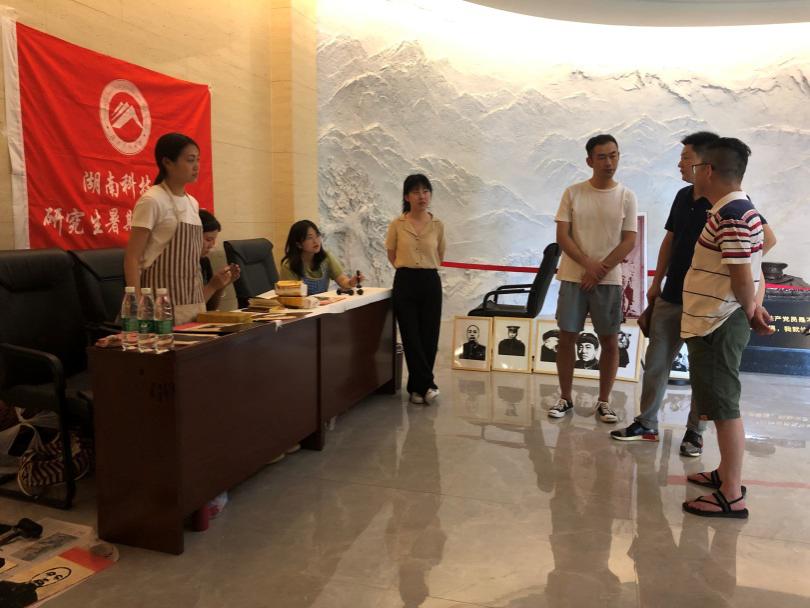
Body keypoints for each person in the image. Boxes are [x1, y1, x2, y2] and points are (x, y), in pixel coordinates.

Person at [611, 132, 776, 455]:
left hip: (709, 307)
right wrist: (656, 284)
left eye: (686, 158)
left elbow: (766, 241)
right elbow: (670, 240)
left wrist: (739, 278)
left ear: (706, 165)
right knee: (656, 362)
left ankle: (694, 432)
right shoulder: (683, 197)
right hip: (673, 295)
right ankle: (647, 423)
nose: (680, 164)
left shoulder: (730, 204)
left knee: (703, 372)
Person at [681, 137, 774, 519]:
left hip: (718, 320)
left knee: (724, 406)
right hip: (718, 317)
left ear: (708, 170)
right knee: (721, 402)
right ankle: (725, 473)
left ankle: (732, 493)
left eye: (694, 165)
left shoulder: (732, 214)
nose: (690, 171)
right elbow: (752, 263)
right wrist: (752, 304)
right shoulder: (738, 209)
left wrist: (751, 310)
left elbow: (740, 274)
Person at [548, 134, 637, 422]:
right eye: (602, 157)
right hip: (573, 276)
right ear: (589, 161)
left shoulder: (626, 196)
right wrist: (588, 265)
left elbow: (629, 239)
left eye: (613, 155)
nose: (609, 162)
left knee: (609, 340)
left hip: (608, 281)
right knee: (567, 337)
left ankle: (604, 401)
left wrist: (599, 270)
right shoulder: (573, 193)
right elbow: (563, 236)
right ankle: (565, 398)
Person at [124, 133, 206, 324]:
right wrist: (138, 306)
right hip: (158, 306)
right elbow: (132, 258)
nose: (196, 166)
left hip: (193, 302)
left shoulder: (192, 203)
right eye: (190, 160)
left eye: (198, 160)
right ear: (168, 162)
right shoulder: (152, 200)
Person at [386, 174, 446, 405]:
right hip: (405, 281)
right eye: (416, 192)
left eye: (426, 191)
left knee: (429, 336)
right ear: (406, 196)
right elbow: (392, 254)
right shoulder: (397, 224)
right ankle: (428, 385)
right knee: (411, 336)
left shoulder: (438, 225)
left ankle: (416, 388)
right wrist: (408, 267)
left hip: (430, 281)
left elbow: (440, 254)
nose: (422, 196)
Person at [279, 220, 364, 295]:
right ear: (299, 244)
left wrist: (352, 282)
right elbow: (289, 297)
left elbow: (342, 281)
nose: (315, 241)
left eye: (317, 235)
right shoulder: (289, 266)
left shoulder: (326, 258)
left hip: (323, 306)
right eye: (309, 238)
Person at [199, 209, 241, 310]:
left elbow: (210, 308)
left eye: (214, 240)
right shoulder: (180, 266)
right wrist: (212, 286)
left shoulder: (204, 261)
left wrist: (221, 285)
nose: (212, 245)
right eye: (208, 239)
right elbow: (190, 309)